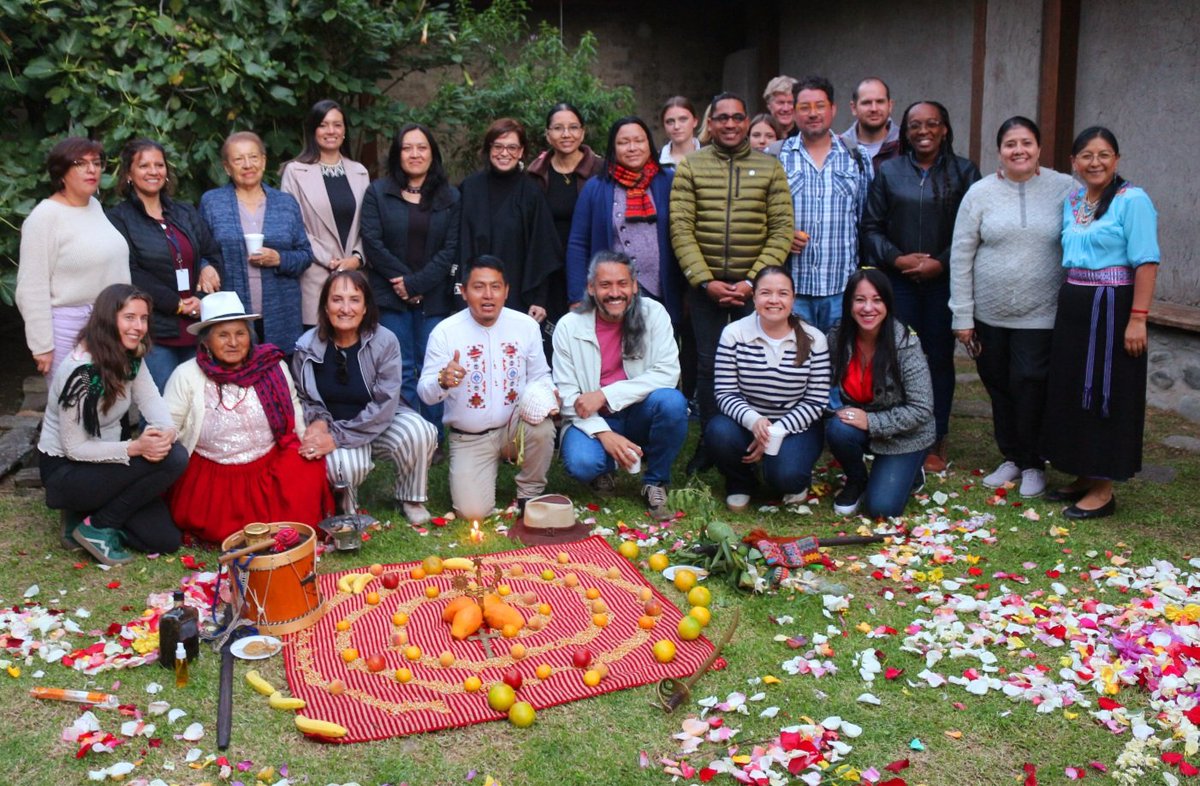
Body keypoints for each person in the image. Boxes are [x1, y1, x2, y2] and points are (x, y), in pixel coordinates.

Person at [949, 117, 1076, 498]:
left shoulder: (1065, 188)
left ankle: (1035, 461)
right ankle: (1012, 457)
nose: (1018, 150)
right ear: (999, 150)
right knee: (999, 385)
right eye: (1010, 144)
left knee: (1030, 383)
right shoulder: (980, 193)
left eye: (1026, 143)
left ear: (1039, 147)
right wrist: (963, 315)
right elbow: (961, 255)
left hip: (1042, 314)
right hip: (989, 314)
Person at [670, 92, 794, 474]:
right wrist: (704, 281)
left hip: (754, 289)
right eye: (721, 118)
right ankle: (710, 441)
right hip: (706, 288)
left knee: (757, 363)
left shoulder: (770, 168)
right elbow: (681, 227)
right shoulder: (691, 166)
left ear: (746, 122)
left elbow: (781, 229)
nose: (729, 124)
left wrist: (752, 281)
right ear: (711, 123)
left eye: (737, 118)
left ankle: (763, 437)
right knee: (709, 367)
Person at [1040, 127, 1159, 520]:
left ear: (1117, 160)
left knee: (1108, 391)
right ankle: (1083, 472)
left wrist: (1138, 319)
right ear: (1074, 162)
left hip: (1113, 307)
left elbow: (1146, 261)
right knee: (1074, 388)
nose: (1095, 162)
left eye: (1104, 154)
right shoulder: (1073, 200)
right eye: (1087, 155)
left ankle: (1104, 487)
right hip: (1075, 304)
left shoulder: (1133, 200)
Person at [861, 101, 980, 473]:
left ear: (945, 128)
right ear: (905, 131)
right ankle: (893, 432)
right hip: (899, 283)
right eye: (915, 125)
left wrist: (939, 262)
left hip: (944, 282)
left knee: (939, 360)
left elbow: (973, 230)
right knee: (895, 358)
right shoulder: (890, 172)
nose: (923, 131)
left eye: (932, 124)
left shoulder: (964, 172)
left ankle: (936, 436)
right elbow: (870, 227)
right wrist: (898, 259)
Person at [163, 291, 332, 544]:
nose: (233, 342)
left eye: (240, 333)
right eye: (223, 335)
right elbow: (169, 428)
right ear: (206, 342)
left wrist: (308, 444)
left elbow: (294, 416)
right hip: (214, 476)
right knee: (225, 532)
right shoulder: (186, 375)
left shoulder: (272, 366)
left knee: (308, 466)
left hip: (268, 466)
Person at [39, 284, 186, 565]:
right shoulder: (81, 372)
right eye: (129, 317)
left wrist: (165, 435)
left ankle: (89, 520)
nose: (139, 326)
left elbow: (154, 404)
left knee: (164, 540)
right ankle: (92, 521)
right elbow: (75, 447)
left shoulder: (130, 357)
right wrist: (137, 447)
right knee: (176, 457)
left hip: (107, 463)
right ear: (109, 318)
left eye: (143, 319)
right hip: (69, 471)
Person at [293, 271, 438, 525]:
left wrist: (336, 437)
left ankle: (410, 497)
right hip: (335, 424)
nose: (346, 308)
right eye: (337, 300)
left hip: (379, 420)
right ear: (325, 307)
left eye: (354, 300)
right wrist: (320, 422)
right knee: (346, 468)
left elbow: (385, 403)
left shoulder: (385, 341)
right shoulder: (306, 347)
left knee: (420, 431)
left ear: (366, 307)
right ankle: (347, 509)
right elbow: (304, 398)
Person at [418, 256, 556, 521]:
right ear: (463, 291)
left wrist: (548, 395)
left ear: (507, 291)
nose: (488, 295)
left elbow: (541, 375)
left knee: (543, 426)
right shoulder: (445, 332)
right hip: (470, 436)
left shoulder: (525, 325)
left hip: (516, 427)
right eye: (479, 287)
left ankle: (529, 492)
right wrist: (442, 381)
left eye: (495, 287)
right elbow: (425, 393)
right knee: (472, 514)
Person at [553, 251, 687, 519]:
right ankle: (603, 469)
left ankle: (655, 481)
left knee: (673, 403)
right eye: (605, 285)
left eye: (622, 284)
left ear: (635, 285)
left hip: (641, 412)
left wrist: (604, 394)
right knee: (582, 463)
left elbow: (667, 373)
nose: (615, 293)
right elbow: (567, 397)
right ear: (591, 288)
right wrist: (605, 435)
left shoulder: (655, 314)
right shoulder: (569, 326)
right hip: (591, 418)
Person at [360, 123, 460, 436]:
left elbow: (450, 249)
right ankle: (409, 436)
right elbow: (372, 242)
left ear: (433, 153)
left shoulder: (450, 196)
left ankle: (434, 436)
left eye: (422, 147)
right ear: (397, 153)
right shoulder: (379, 191)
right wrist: (402, 282)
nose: (414, 154)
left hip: (434, 296)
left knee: (434, 366)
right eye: (407, 147)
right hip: (390, 297)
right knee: (400, 368)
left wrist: (416, 284)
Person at [706, 266, 829, 512]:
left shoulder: (814, 339)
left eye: (782, 293)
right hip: (748, 421)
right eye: (765, 293)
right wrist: (754, 422)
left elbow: (816, 400)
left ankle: (787, 473)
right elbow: (725, 392)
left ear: (793, 298)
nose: (774, 300)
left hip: (795, 426)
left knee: (786, 478)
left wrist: (776, 431)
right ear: (754, 298)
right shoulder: (734, 334)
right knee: (718, 431)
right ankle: (740, 481)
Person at [107, 138, 224, 391]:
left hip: (197, 327)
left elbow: (212, 253)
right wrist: (178, 305)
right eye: (144, 166)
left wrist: (201, 294)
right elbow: (131, 271)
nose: (153, 171)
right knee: (161, 408)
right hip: (154, 332)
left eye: (159, 165)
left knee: (197, 405)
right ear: (129, 173)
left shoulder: (184, 212)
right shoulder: (118, 219)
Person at [16, 137, 130, 378]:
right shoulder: (44, 218)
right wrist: (42, 346)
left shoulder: (94, 207)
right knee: (71, 408)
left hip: (108, 323)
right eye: (80, 163)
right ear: (62, 171)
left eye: (97, 163)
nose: (91, 169)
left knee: (105, 406)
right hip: (68, 328)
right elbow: (31, 287)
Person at [826, 269, 935, 518]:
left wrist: (871, 422)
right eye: (859, 299)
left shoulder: (905, 343)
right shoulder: (837, 338)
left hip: (906, 434)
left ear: (888, 303)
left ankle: (912, 469)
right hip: (860, 425)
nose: (868, 308)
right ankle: (856, 479)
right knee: (837, 428)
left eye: (877, 300)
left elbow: (922, 408)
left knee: (882, 509)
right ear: (849, 303)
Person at [200, 131, 314, 353]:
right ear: (226, 167)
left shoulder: (286, 203)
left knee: (279, 378)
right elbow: (200, 250)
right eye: (238, 159)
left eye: (253, 157)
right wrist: (204, 268)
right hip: (231, 313)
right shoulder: (213, 202)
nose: (247, 164)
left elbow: (305, 255)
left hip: (281, 311)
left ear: (263, 161)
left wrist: (279, 258)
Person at [778, 75, 873, 333]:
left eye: (820, 106)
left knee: (839, 365)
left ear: (833, 109)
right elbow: (762, 218)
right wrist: (782, 237)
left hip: (841, 289)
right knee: (794, 366)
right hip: (792, 288)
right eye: (804, 107)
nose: (813, 113)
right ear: (794, 112)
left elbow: (867, 220)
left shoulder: (857, 156)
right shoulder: (776, 156)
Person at [565, 116, 684, 324]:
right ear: (613, 148)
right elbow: (578, 243)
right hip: (612, 292)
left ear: (649, 144)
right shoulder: (596, 187)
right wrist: (577, 295)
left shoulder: (669, 181)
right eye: (623, 142)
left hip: (663, 289)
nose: (632, 148)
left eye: (639, 141)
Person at [458, 118, 560, 324]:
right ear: (489, 149)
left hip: (518, 296)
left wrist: (539, 299)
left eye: (512, 147)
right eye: (498, 146)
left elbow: (543, 248)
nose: (505, 153)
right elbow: (458, 242)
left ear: (521, 151)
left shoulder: (532, 192)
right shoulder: (469, 188)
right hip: (473, 296)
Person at [280, 99, 370, 329]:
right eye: (323, 124)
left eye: (337, 125)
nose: (331, 131)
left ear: (345, 130)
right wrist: (330, 259)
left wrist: (357, 258)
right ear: (312, 130)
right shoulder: (295, 172)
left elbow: (369, 225)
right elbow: (291, 225)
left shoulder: (360, 172)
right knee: (319, 351)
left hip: (354, 278)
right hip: (315, 274)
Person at [527, 103, 605, 359]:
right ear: (548, 134)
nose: (566, 134)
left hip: (589, 268)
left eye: (573, 127)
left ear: (583, 133)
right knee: (549, 342)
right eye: (558, 128)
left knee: (589, 342)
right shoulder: (535, 174)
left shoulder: (601, 171)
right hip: (547, 272)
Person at [840, 78, 901, 170]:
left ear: (890, 106)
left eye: (880, 101)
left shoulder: (906, 145)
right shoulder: (840, 147)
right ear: (853, 108)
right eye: (866, 103)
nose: (874, 109)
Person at [658, 96, 701, 169]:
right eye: (670, 121)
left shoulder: (711, 158)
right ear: (663, 125)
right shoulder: (655, 161)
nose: (676, 126)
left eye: (683, 119)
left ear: (695, 122)